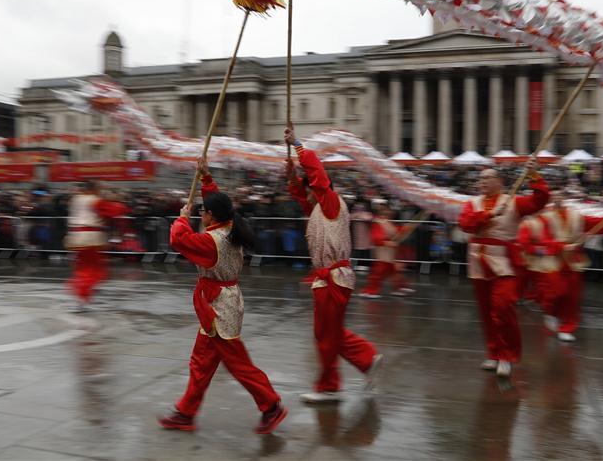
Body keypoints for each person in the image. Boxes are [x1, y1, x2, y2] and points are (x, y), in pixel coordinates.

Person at [158, 157, 287, 434]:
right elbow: (220, 204)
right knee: (201, 363)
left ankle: (271, 405)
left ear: (211, 216)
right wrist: (206, 178)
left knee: (237, 364)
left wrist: (182, 218)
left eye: (204, 212)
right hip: (218, 304)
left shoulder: (211, 240)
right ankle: (186, 412)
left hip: (219, 308)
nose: (201, 216)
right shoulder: (228, 226)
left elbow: (179, 240)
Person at [284, 124, 382, 403]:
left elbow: (316, 174)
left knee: (327, 335)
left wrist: (298, 145)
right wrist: (291, 176)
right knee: (326, 333)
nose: (310, 193)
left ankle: (330, 387)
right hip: (328, 278)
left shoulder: (330, 201)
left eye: (312, 188)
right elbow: (300, 196)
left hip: (334, 278)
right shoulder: (318, 207)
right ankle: (366, 359)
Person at [457, 161, 549, 377]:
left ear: (499, 181)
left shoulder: (513, 202)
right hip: (478, 262)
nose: (482, 182)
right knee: (486, 311)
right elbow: (466, 224)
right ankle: (494, 352)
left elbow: (540, 201)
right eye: (480, 179)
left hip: (503, 263)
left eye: (487, 178)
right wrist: (489, 215)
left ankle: (507, 355)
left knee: (503, 306)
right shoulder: (473, 203)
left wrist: (534, 175)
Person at [517, 189, 603, 342]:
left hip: (572, 261)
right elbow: (535, 241)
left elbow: (596, 224)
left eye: (561, 195)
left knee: (572, 296)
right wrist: (559, 246)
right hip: (551, 261)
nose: (558, 197)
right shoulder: (541, 218)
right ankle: (551, 313)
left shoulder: (576, 216)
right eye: (555, 194)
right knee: (554, 293)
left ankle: (567, 327)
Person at [64, 181, 128, 311]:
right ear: (94, 189)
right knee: (93, 269)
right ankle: (82, 293)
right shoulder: (95, 200)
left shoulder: (76, 199)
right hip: (90, 238)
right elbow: (114, 211)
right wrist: (119, 200)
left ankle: (81, 295)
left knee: (83, 266)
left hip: (77, 237)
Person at [360, 204, 415, 298]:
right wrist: (387, 242)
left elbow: (396, 232)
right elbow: (376, 238)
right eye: (386, 210)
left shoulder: (386, 221)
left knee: (393, 271)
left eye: (389, 209)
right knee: (378, 272)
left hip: (390, 252)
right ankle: (369, 291)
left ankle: (400, 287)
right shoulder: (378, 222)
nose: (389, 212)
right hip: (383, 252)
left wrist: (406, 229)